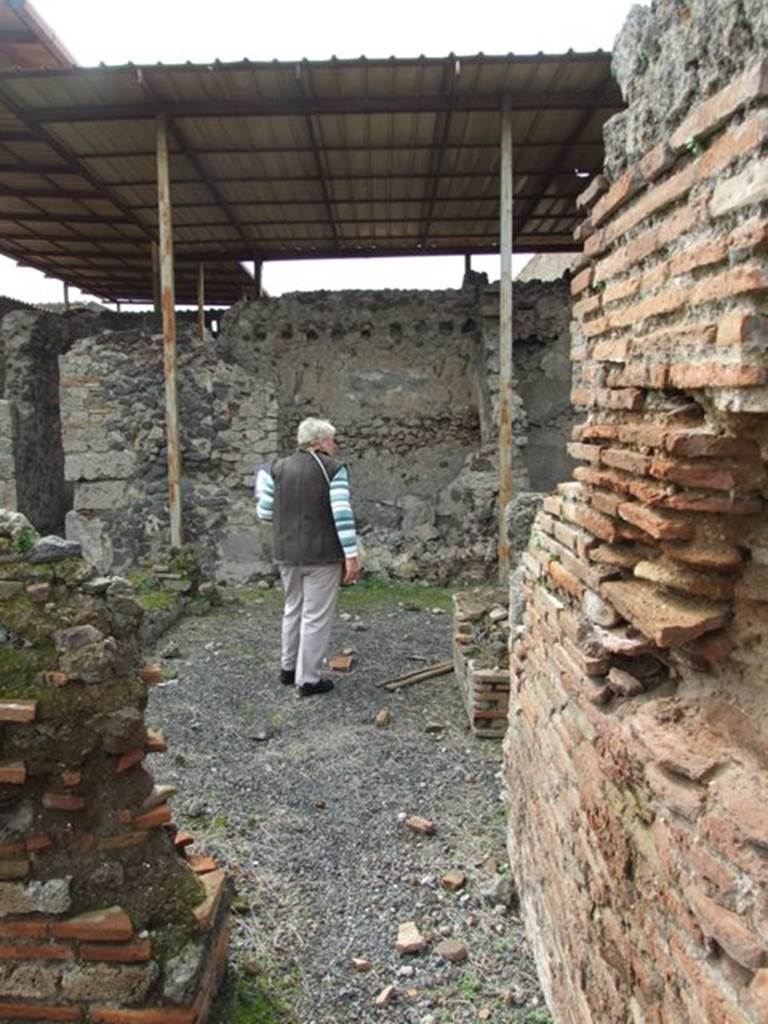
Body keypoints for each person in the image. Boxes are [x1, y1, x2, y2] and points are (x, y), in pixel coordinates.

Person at [257, 417, 359, 697]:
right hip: (322, 555)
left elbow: (264, 512)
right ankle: (309, 680)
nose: (335, 446)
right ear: (321, 442)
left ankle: (287, 669)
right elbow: (341, 512)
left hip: (286, 553)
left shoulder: (274, 468)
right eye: (332, 440)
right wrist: (351, 555)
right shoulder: (333, 469)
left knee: (293, 608)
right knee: (316, 616)